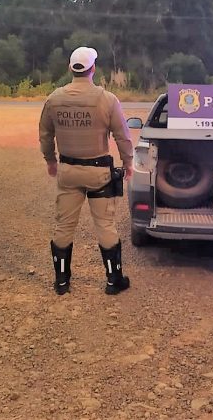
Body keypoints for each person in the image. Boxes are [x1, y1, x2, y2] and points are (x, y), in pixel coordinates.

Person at [39, 46, 134, 296]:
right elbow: (123, 136)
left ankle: (61, 282)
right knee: (105, 224)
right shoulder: (107, 99)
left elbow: (46, 134)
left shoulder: (54, 99)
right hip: (98, 174)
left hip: (68, 171)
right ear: (93, 69)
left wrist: (50, 160)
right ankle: (114, 280)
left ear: (71, 68)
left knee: (64, 226)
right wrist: (128, 163)